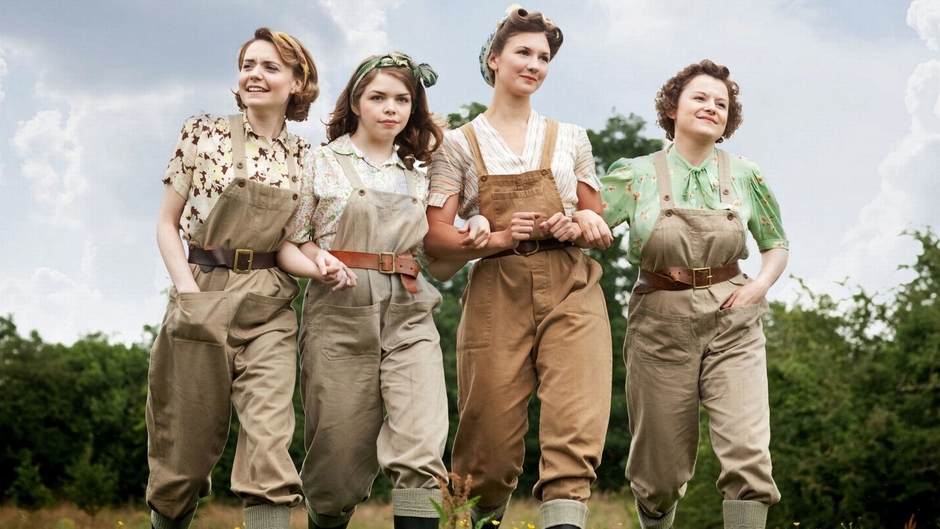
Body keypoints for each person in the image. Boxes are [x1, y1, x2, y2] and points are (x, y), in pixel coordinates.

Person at [424, 7, 614, 529]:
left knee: (575, 432)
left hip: (572, 283)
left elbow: (595, 212)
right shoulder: (457, 145)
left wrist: (582, 224)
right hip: (496, 290)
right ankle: (478, 517)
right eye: (523, 53)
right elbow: (435, 234)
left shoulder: (571, 138)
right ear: (494, 59)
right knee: (487, 449)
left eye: (544, 57)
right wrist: (494, 233)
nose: (534, 65)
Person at [278, 52, 484, 529]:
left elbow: (453, 227)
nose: (391, 108)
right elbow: (294, 238)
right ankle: (325, 514)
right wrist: (317, 263)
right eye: (378, 97)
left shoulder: (425, 167)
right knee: (337, 467)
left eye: (402, 99)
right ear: (355, 102)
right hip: (339, 312)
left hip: (410, 309)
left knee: (421, 447)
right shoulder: (320, 162)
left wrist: (476, 222)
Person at [600, 59, 789, 529]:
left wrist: (759, 287)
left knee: (748, 454)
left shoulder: (747, 174)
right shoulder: (635, 174)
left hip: (734, 316)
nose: (711, 108)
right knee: (660, 471)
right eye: (700, 98)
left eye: (721, 103)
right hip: (660, 320)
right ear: (673, 107)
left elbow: (776, 243)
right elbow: (589, 227)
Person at [148, 28, 318, 529]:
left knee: (270, 441)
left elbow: (290, 245)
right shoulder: (203, 132)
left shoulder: (306, 158)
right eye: (248, 64)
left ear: (296, 81)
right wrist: (186, 292)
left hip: (268, 306)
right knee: (185, 451)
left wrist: (322, 266)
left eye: (270, 67)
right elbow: (165, 223)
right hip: (202, 290)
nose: (254, 75)